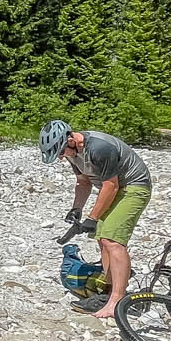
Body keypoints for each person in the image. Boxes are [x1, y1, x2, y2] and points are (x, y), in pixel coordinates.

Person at [40, 119, 153, 320]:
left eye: (61, 152)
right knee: (101, 238)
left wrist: (92, 218)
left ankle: (117, 300)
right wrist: (77, 208)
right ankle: (107, 291)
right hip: (114, 188)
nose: (61, 157)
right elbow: (83, 183)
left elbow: (111, 186)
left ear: (71, 140)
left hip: (134, 187)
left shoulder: (99, 148)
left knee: (112, 240)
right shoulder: (73, 153)